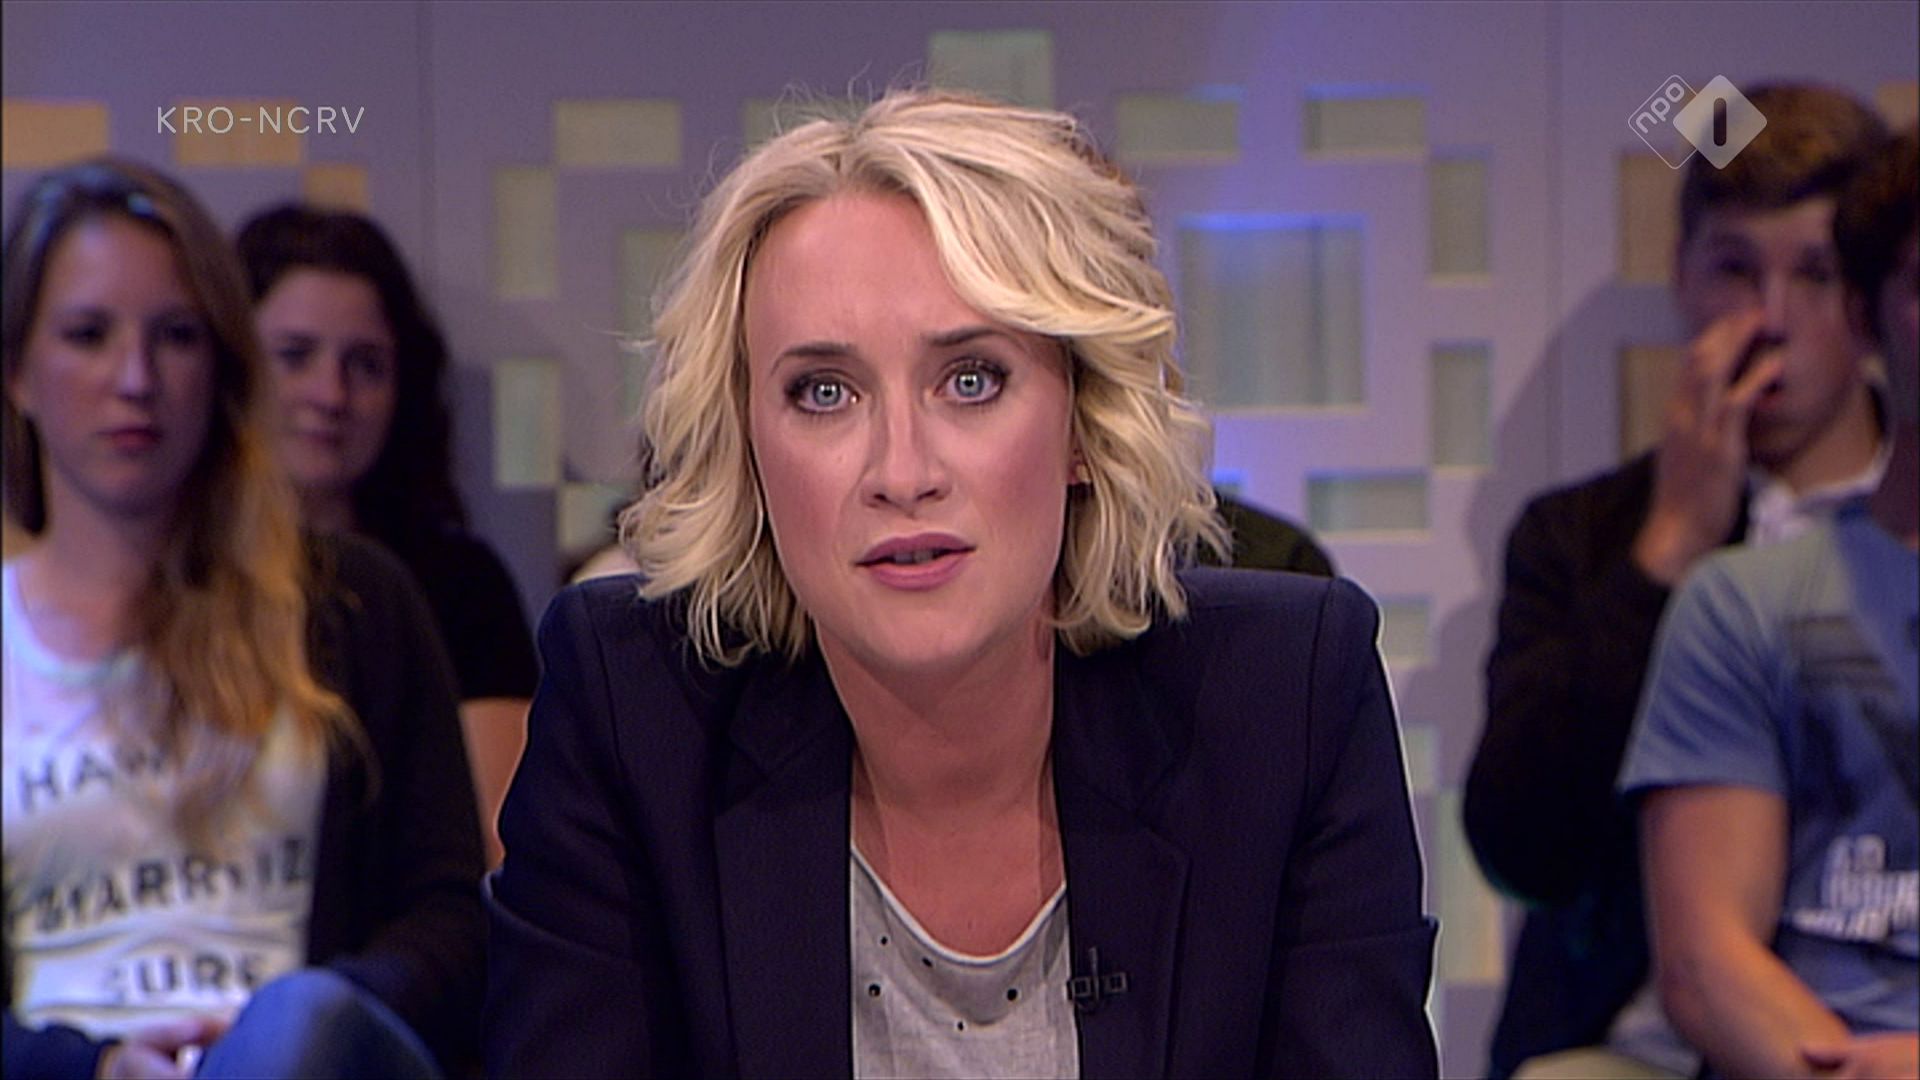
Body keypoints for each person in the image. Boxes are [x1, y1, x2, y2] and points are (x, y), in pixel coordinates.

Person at [486, 89, 1437, 1078]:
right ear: (747, 450)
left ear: (1083, 423)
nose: (902, 471)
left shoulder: (1285, 702)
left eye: (971, 379)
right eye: (824, 392)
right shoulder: (632, 713)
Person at [1, 160, 484, 1078]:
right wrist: (94, 1066)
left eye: (177, 337)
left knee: (296, 1024)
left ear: (222, 365)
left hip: (311, 1054)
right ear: (18, 371)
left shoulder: (353, 603)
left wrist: (284, 1028)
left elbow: (453, 922)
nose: (135, 378)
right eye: (90, 335)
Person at [1463, 84, 1889, 1078]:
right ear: (1682, 277)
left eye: (1816, 273)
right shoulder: (1583, 535)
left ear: (1871, 303)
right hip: (1644, 1043)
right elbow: (1520, 849)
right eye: (1735, 269)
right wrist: (1670, 548)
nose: (1770, 318)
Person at [1622, 126, 1918, 1080]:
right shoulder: (1736, 599)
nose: (1772, 319)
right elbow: (1705, 963)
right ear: (1874, 318)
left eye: (1808, 273)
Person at [236, 205, 537, 868]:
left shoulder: (461, 585)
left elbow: (498, 845)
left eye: (365, 364)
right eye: (294, 356)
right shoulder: (171, 575)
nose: (331, 394)